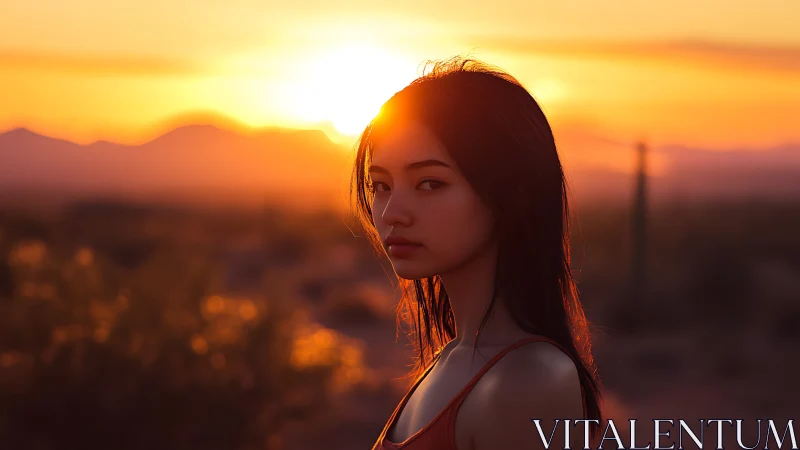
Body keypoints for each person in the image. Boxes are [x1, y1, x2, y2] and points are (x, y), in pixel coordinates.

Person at [350, 56, 604, 450]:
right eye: (380, 185)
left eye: (430, 183)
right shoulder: (453, 356)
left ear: (512, 193)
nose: (391, 213)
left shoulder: (528, 381)